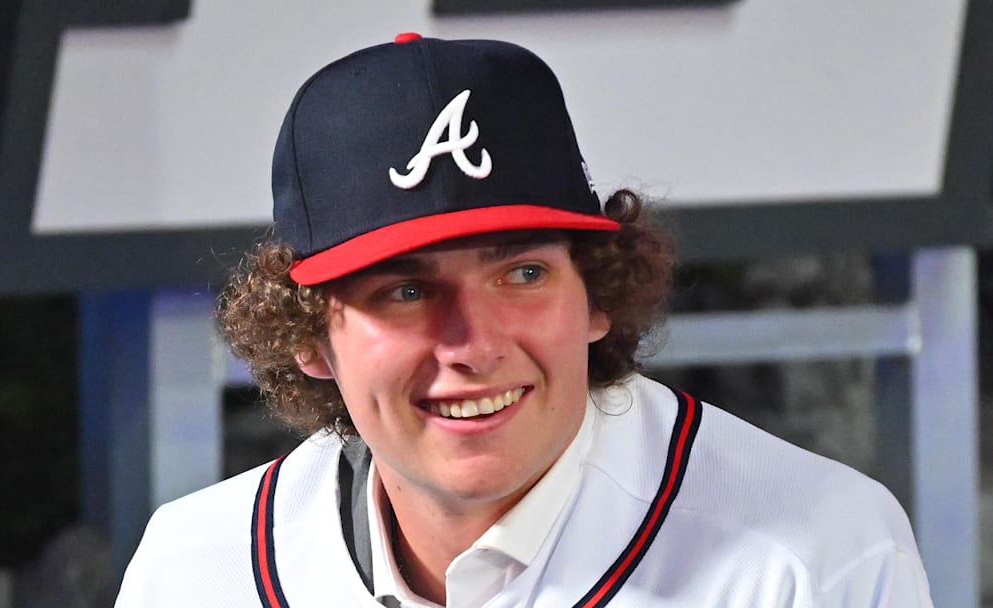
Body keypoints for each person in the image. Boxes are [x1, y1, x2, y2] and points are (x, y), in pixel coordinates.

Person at [116, 34, 933, 607]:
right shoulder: (195, 571)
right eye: (405, 291)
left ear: (598, 295)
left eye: (523, 274)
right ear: (310, 338)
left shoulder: (808, 559)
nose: (473, 343)